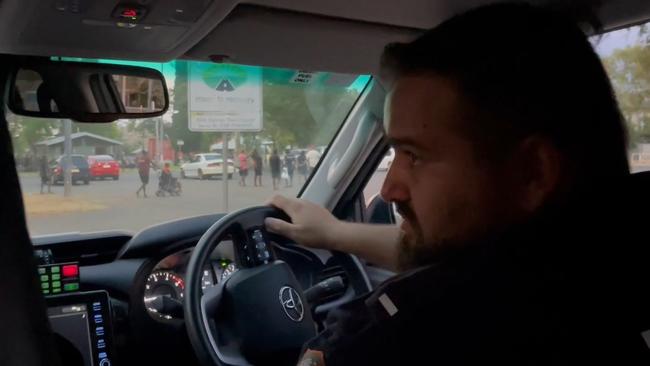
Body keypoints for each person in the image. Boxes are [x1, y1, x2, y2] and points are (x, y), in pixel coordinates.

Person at [266, 4, 650, 365]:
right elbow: (454, 248)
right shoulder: (593, 274)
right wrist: (334, 232)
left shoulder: (402, 341)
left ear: (532, 172)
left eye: (413, 155)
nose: (389, 189)